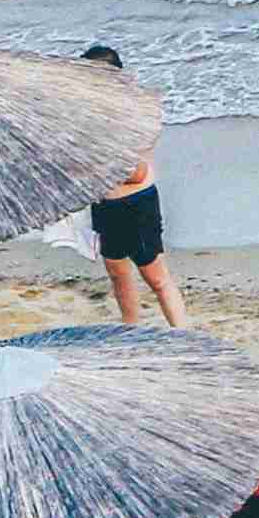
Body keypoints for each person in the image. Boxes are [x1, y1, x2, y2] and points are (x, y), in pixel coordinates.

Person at [74, 44, 185, 328]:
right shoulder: (89, 115)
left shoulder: (131, 111)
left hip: (137, 203)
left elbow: (136, 173)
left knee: (156, 277)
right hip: (105, 204)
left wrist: (98, 166)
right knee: (117, 273)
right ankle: (130, 329)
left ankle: (183, 333)